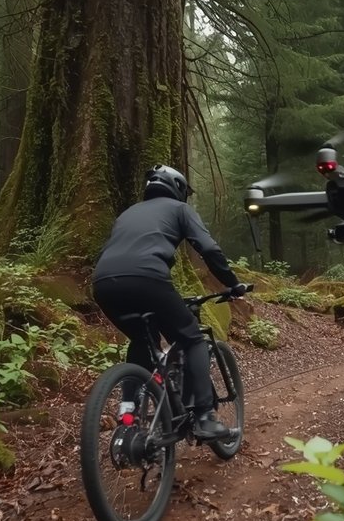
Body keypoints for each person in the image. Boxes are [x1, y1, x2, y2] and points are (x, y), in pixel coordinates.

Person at [91, 165, 248, 441]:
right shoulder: (179, 209)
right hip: (148, 279)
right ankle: (204, 418)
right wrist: (232, 283)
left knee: (143, 339)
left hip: (104, 283)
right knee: (193, 340)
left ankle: (128, 411)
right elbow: (209, 248)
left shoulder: (127, 214)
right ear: (177, 188)